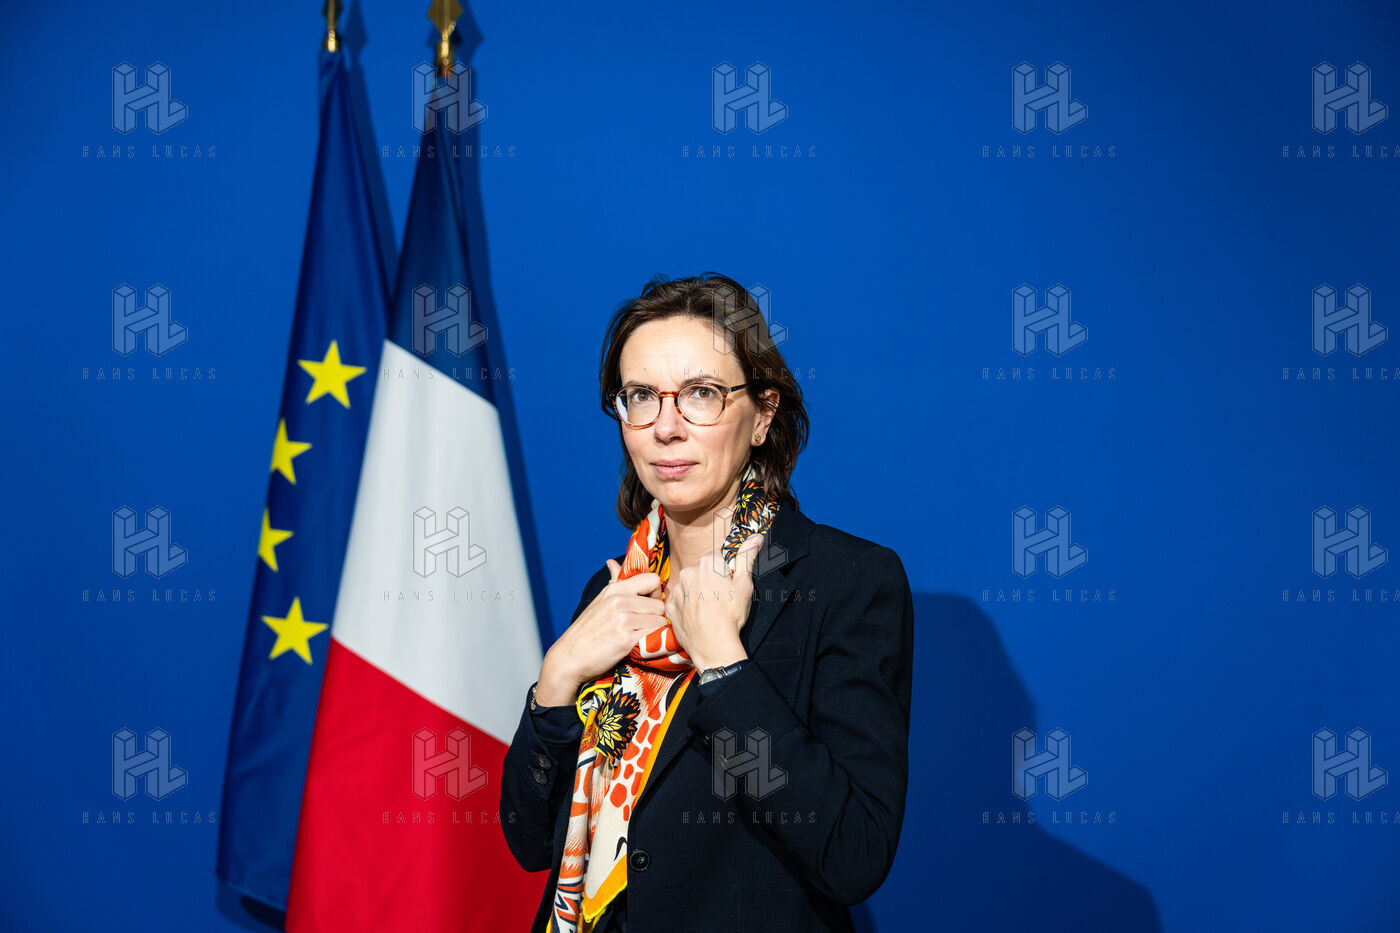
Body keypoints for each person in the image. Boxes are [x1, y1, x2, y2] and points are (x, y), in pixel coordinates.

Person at [500, 274, 914, 933]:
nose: (666, 428)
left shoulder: (846, 582)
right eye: (641, 396)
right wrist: (554, 684)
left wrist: (724, 664)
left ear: (764, 414)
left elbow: (852, 853)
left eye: (701, 394)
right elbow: (527, 842)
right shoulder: (615, 589)